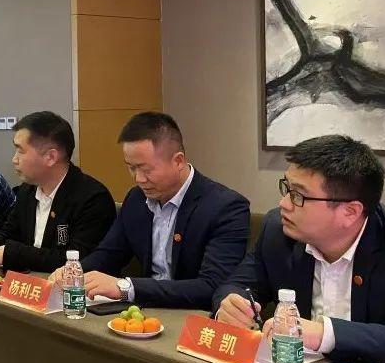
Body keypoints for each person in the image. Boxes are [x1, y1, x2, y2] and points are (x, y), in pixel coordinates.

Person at [213, 135, 385, 363]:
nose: (284, 203)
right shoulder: (278, 231)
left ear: (350, 212)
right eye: (287, 188)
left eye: (298, 195)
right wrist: (231, 306)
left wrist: (324, 334)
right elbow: (236, 285)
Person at [48, 112, 250, 309]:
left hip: (192, 315)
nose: (138, 179)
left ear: (178, 161)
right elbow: (108, 254)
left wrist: (126, 288)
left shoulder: (226, 207)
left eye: (146, 170)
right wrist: (73, 271)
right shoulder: (136, 199)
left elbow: (211, 286)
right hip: (144, 311)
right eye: (131, 168)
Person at [0, 111, 115, 273]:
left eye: (20, 151)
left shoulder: (93, 199)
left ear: (51, 157)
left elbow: (77, 261)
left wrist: (11, 253)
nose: (14, 159)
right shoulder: (27, 190)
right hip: (28, 282)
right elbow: (9, 233)